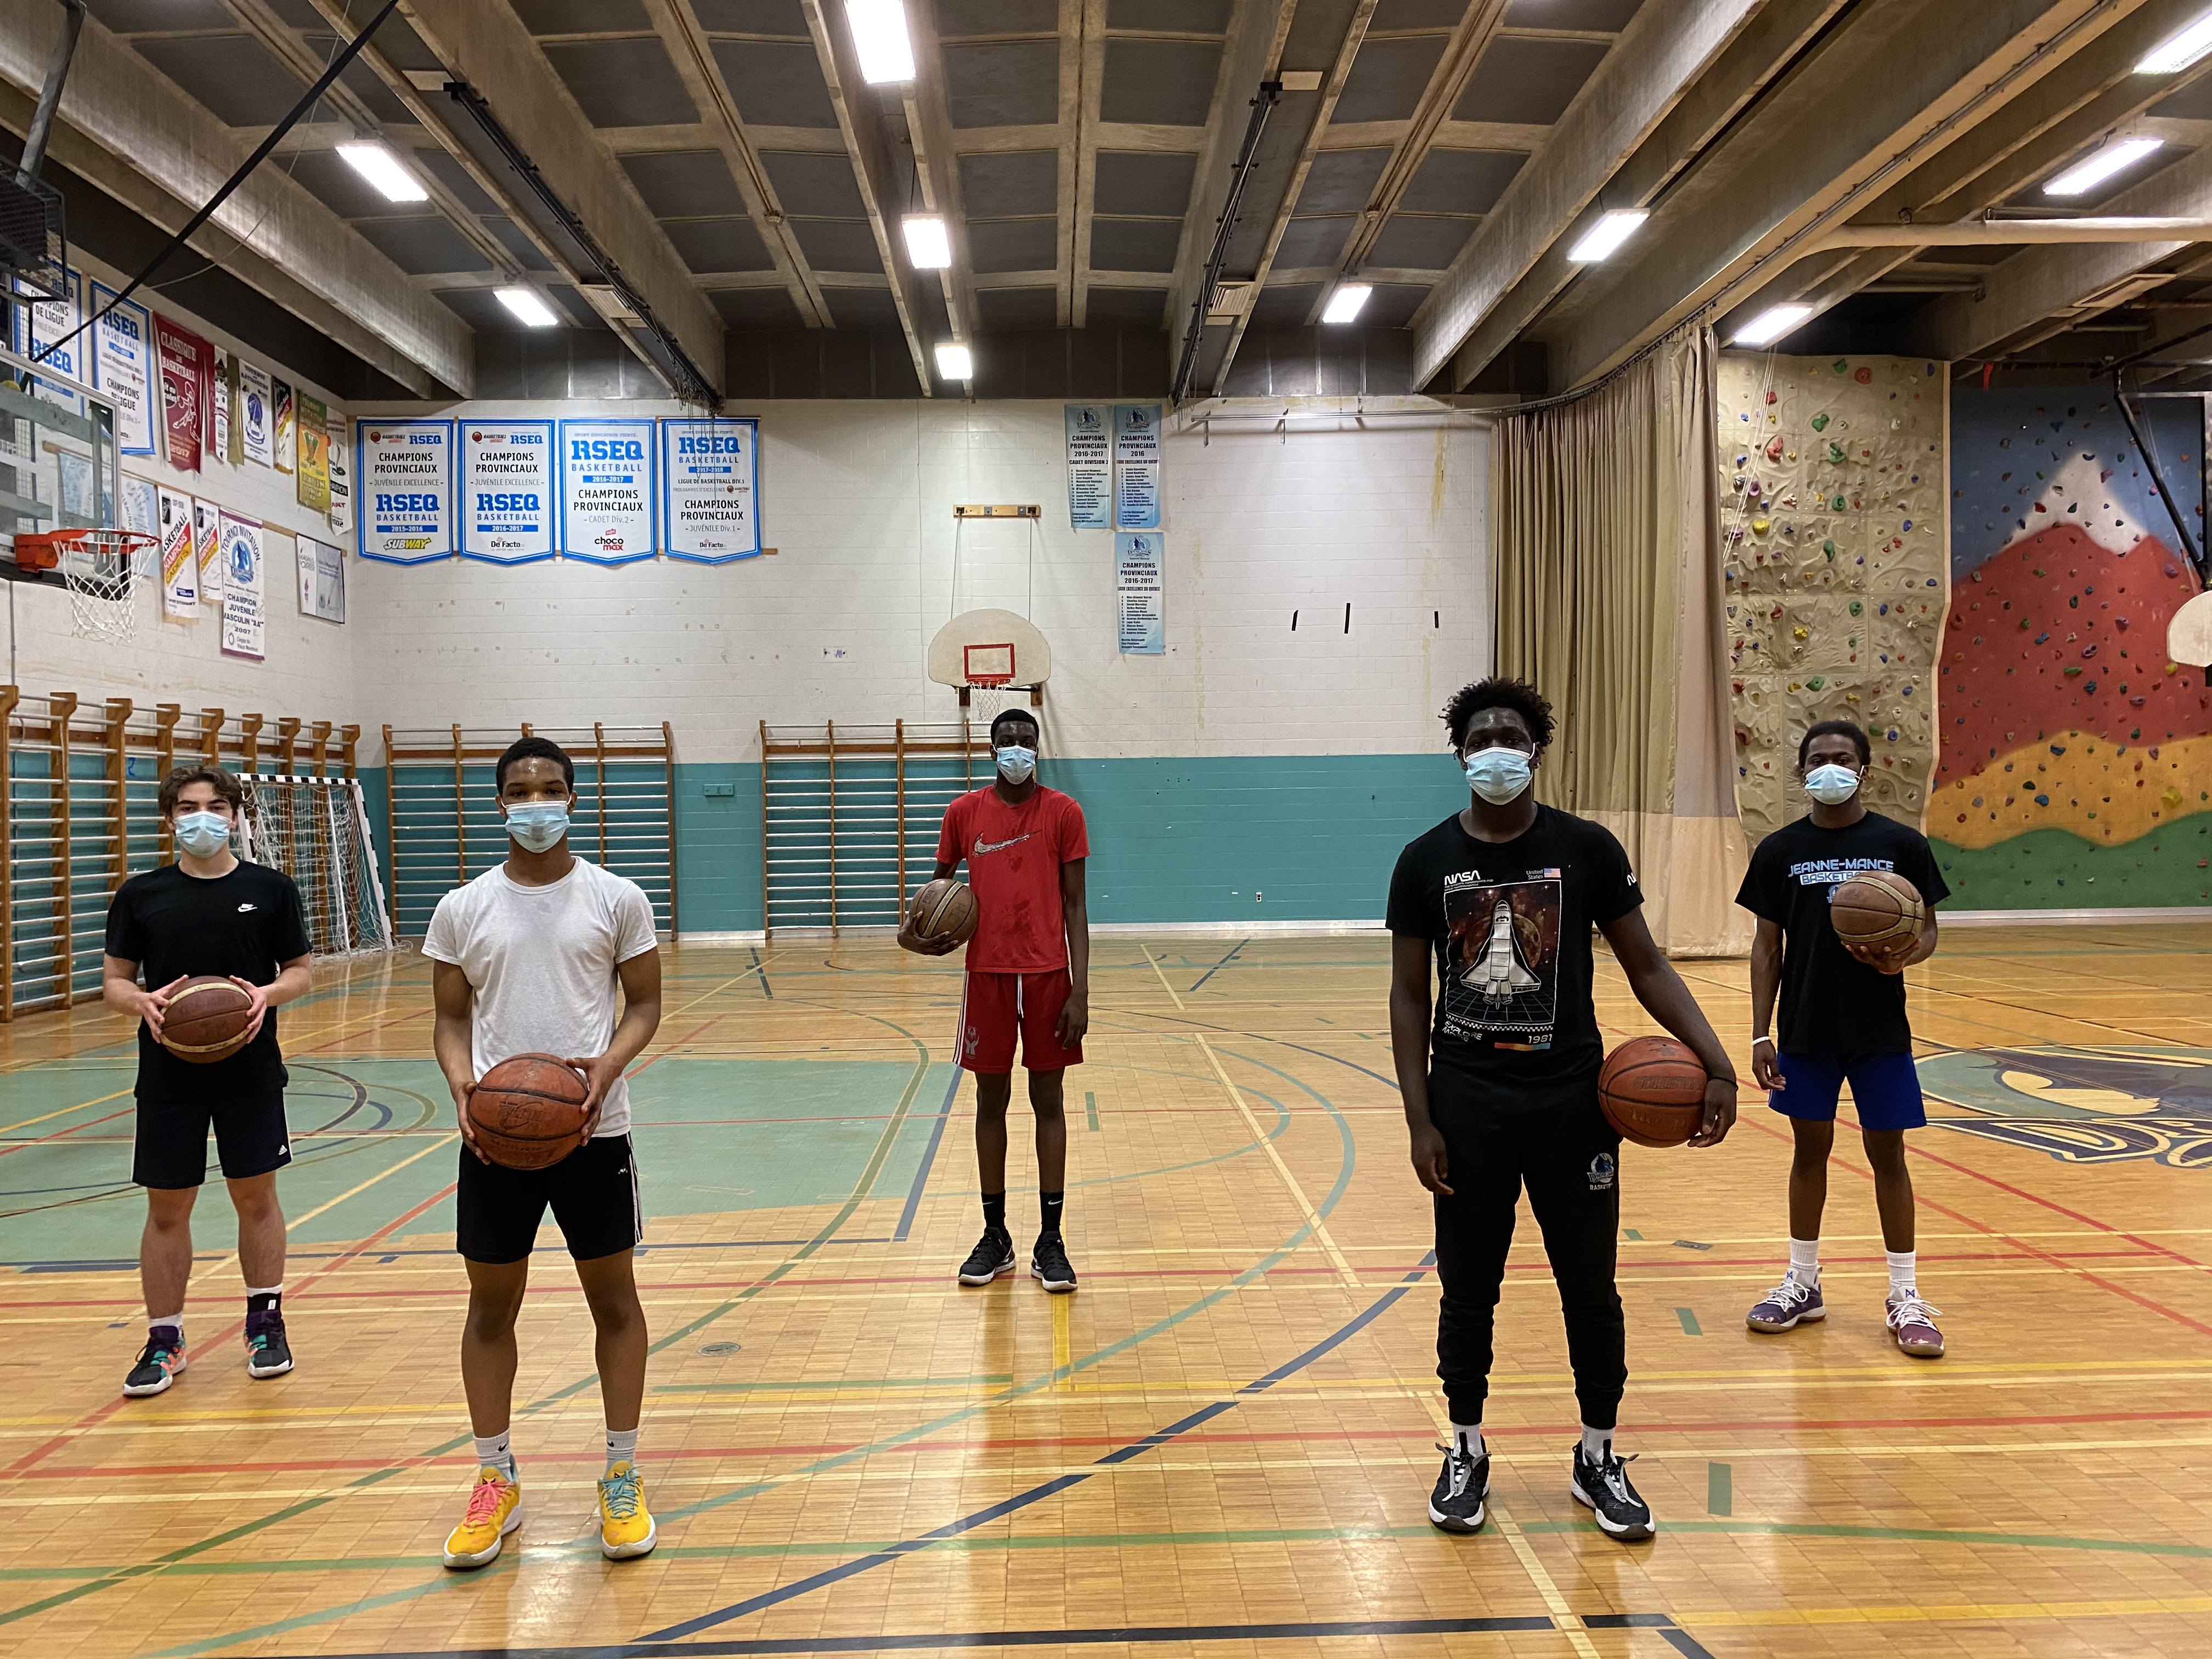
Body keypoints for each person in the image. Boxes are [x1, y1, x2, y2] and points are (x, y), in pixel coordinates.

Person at [1387, 677, 1738, 1543]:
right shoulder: (1425, 859)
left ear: (1537, 750)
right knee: (1469, 1290)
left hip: (1572, 1103)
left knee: (1591, 1288)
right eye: (1481, 736)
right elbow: (1405, 997)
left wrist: (1718, 1059)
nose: (1497, 747)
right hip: (1467, 1103)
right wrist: (1419, 1118)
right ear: (1461, 753)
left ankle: (1597, 1456)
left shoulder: (1585, 848)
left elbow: (1646, 964)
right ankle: (1465, 1446)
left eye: (1512, 734)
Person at [425, 736, 664, 1568]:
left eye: (551, 789)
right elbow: (452, 1022)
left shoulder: (616, 898)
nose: (537, 803)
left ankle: (622, 1473)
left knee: (616, 1303)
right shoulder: (463, 908)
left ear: (573, 799)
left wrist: (606, 1064)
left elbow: (645, 1005)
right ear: (500, 803)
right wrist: (462, 1087)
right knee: (490, 1311)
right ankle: (497, 1479)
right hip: (493, 1140)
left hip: (594, 1130)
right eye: (521, 790)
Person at [1737, 719, 1949, 1358]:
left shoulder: (1901, 844)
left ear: (1865, 769)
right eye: (1818, 759)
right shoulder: (1779, 850)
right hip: (1806, 1028)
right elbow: (1765, 947)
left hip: (1880, 1030)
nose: (1830, 768)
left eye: (1843, 758)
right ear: (1802, 773)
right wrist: (1758, 1034)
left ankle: (1906, 1294)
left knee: (1890, 1158)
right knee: (1809, 1153)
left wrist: (1904, 955)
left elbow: (1932, 930)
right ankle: (1804, 1283)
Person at [101, 766, 314, 1398]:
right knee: (168, 1210)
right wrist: (138, 1003)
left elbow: (301, 970)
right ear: (170, 818)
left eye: (216, 806)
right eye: (189, 807)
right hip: (168, 1076)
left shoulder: (270, 890)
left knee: (256, 1198)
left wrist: (266, 995)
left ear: (235, 816)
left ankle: (265, 1323)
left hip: (249, 1071)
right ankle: (165, 1339)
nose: (203, 817)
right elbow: (115, 981)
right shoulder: (141, 895)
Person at [899, 708, 1090, 1294]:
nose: (1016, 749)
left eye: (1025, 741)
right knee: (990, 1102)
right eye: (1006, 740)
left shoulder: (1063, 812)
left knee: (1049, 1099)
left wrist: (1082, 990)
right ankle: (995, 1235)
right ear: (992, 750)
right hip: (987, 977)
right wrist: (913, 935)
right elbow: (935, 893)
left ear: (1038, 749)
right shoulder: (963, 814)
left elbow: (1078, 907)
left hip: (1049, 975)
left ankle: (1051, 1241)